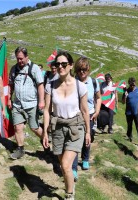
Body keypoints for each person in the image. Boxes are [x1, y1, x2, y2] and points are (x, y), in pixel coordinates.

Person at [42, 51, 90, 200]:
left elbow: (85, 110)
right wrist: (45, 132)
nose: (60, 66)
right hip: (57, 128)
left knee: (66, 164)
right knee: (64, 166)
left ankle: (69, 195)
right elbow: (47, 110)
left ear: (70, 66)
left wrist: (88, 132)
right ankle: (70, 186)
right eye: (57, 64)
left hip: (75, 127)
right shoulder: (50, 86)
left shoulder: (80, 86)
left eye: (64, 64)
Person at [8, 47, 45, 159]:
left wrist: (42, 101)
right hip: (18, 104)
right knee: (18, 127)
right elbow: (11, 85)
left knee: (34, 128)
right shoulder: (14, 69)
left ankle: (46, 140)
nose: (19, 61)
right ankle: (20, 149)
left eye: (21, 58)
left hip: (31, 104)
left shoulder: (34, 68)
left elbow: (40, 85)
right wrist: (9, 98)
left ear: (26, 56)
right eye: (17, 59)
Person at [72, 57, 101, 181]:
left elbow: (98, 98)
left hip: (89, 114)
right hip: (75, 115)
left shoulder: (94, 82)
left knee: (87, 138)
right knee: (74, 140)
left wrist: (97, 111)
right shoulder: (72, 81)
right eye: (79, 70)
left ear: (88, 69)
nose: (81, 72)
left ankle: (85, 159)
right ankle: (73, 168)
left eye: (84, 69)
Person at [122, 77, 138, 143]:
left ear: (135, 83)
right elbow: (123, 102)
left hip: (137, 112)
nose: (132, 86)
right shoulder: (126, 91)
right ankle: (129, 138)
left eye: (133, 85)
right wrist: (125, 96)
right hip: (129, 112)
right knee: (129, 126)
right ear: (129, 84)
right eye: (131, 85)